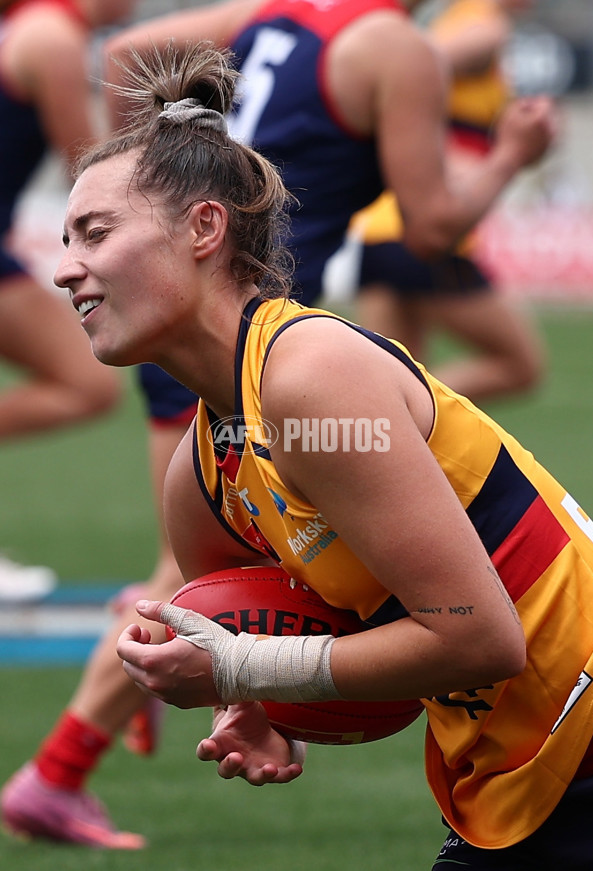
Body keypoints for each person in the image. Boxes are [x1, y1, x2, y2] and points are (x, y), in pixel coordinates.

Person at [1, 0, 557, 849]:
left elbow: (482, 638)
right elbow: (237, 634)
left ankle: (58, 769)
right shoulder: (200, 474)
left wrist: (244, 668)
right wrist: (254, 705)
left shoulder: (312, 379)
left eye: (96, 233)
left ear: (205, 227)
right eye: (67, 236)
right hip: (512, 769)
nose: (65, 269)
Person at [349, 0, 547, 403]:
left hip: (381, 232)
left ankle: (403, 413)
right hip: (428, 231)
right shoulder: (485, 25)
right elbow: (412, 65)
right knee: (521, 364)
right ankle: (413, 409)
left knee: (389, 381)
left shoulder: (456, 22)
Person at [0, 0, 132, 600]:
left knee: (86, 385)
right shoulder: (50, 36)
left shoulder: (35, 29)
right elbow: (92, 171)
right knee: (88, 382)